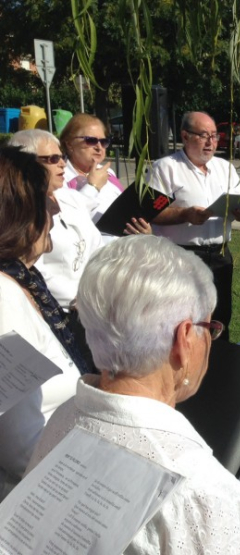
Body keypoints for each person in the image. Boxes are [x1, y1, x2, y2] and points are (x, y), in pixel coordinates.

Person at [26, 236, 240, 555]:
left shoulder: (63, 417)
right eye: (209, 327)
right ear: (184, 339)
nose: (211, 340)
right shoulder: (203, 492)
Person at [0, 146, 87, 501]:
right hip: (36, 500)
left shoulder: (23, 280)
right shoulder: (3, 300)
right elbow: (22, 450)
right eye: (46, 201)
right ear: (21, 214)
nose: (55, 211)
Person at [150, 111, 240, 341]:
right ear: (185, 136)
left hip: (220, 254)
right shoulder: (165, 168)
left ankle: (218, 367)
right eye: (204, 135)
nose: (211, 142)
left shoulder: (224, 168)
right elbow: (152, 212)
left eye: (215, 136)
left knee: (221, 317)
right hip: (182, 256)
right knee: (183, 320)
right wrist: (184, 214)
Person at [59, 113, 125, 224]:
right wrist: (93, 186)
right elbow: (67, 219)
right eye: (91, 140)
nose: (99, 147)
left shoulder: (108, 172)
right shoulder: (60, 177)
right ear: (70, 144)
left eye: (104, 142)